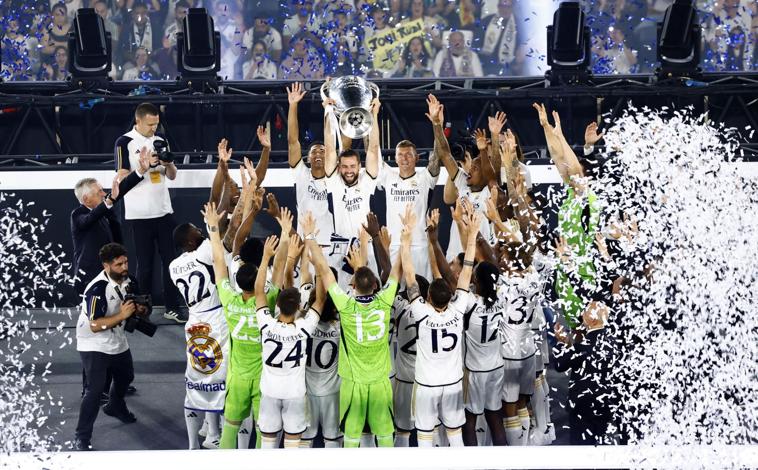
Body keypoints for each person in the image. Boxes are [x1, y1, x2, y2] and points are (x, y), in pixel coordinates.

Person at [302, 206, 407, 448]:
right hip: (380, 381)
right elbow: (397, 271)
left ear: (353, 284)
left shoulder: (346, 306)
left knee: (350, 438)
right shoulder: (384, 301)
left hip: (352, 383)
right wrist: (406, 236)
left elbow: (325, 273)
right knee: (384, 437)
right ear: (374, 286)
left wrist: (310, 236)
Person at [202, 200, 284, 449]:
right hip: (263, 377)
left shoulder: (228, 298)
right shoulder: (267, 300)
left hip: (237, 376)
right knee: (263, 431)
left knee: (230, 428)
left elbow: (218, 260)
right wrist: (280, 236)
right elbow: (279, 268)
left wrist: (213, 229)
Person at [402, 209, 480, 447]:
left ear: (427, 296)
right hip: (453, 383)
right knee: (455, 434)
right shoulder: (459, 309)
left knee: (426, 436)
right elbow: (466, 270)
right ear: (451, 297)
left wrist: (406, 238)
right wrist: (472, 235)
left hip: (427, 385)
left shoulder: (421, 312)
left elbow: (409, 274)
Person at [254, 226, 322, 449]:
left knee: (268, 444)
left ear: (278, 305)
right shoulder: (303, 328)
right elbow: (320, 300)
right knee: (293, 446)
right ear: (298, 308)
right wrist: (319, 265)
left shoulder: (266, 324)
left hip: (270, 392)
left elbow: (259, 292)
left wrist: (265, 259)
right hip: (294, 394)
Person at [115, 103, 184, 323]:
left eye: (156, 124)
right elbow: (121, 179)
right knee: (144, 265)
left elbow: (171, 175)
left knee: (171, 262)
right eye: (150, 124)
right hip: (139, 215)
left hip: (163, 211)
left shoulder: (160, 140)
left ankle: (172, 307)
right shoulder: (124, 142)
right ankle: (142, 310)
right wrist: (143, 168)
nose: (154, 128)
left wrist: (168, 162)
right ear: (138, 121)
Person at [73, 243, 145, 451]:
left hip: (116, 337)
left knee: (126, 377)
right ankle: (82, 436)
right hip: (92, 342)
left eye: (126, 262)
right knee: (94, 391)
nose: (124, 267)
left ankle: (115, 406)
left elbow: (140, 305)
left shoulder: (129, 280)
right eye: (119, 264)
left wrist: (140, 309)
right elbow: (95, 325)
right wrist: (123, 315)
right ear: (106, 266)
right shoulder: (96, 289)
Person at [169, 218, 232, 450]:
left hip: (194, 321)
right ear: (189, 240)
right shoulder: (204, 252)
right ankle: (216, 434)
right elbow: (224, 230)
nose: (201, 231)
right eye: (197, 229)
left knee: (199, 378)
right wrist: (215, 220)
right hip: (215, 319)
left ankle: (205, 432)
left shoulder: (174, 265)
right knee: (220, 377)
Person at [323, 97, 382, 288]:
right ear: (339, 167)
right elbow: (330, 149)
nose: (349, 170)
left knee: (370, 290)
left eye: (353, 166)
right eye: (345, 166)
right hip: (340, 247)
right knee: (340, 294)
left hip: (365, 244)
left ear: (359, 166)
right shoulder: (334, 182)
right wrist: (328, 113)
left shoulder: (366, 180)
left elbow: (373, 149)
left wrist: (373, 115)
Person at [71, 153, 149, 294]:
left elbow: (121, 189)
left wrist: (140, 171)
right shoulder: (78, 214)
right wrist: (108, 201)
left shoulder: (104, 209)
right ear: (86, 199)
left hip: (111, 273)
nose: (103, 194)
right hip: (90, 277)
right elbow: (88, 219)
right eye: (99, 191)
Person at [377, 136, 440, 281]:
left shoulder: (424, 178)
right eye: (400, 154)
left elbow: (437, 156)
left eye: (409, 155)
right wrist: (371, 120)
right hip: (394, 245)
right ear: (395, 158)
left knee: (421, 289)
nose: (404, 158)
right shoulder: (388, 176)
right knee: (394, 293)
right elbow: (373, 152)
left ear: (417, 158)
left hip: (419, 245)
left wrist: (437, 125)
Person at [286, 82, 333, 263]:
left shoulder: (334, 177)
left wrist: (329, 111)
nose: (319, 154)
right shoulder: (301, 174)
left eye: (323, 151)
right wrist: (293, 105)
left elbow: (337, 142)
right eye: (314, 151)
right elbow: (293, 141)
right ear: (308, 158)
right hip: (304, 245)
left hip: (330, 246)